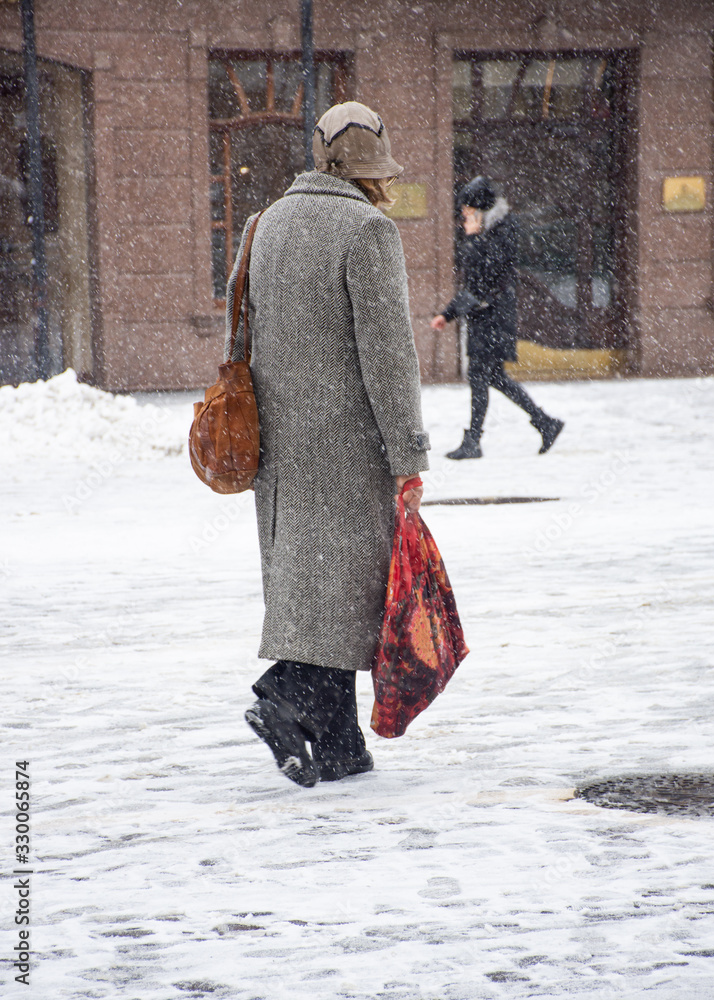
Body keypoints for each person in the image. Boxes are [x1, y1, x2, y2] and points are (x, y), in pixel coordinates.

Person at [225, 102, 429, 788]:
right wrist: (409, 456)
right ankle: (283, 694)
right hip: (348, 445)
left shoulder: (264, 223)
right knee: (347, 591)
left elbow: (242, 330)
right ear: (374, 173)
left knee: (311, 590)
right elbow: (390, 357)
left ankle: (341, 747)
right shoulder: (366, 230)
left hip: (278, 449)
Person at [431, 176, 564, 459]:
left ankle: (475, 441)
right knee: (494, 378)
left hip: (492, 318)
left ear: (479, 208)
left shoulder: (498, 232)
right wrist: (450, 313)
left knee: (482, 377)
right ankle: (544, 422)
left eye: (467, 208)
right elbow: (477, 282)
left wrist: (449, 313)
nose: (463, 213)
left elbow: (481, 280)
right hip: (487, 316)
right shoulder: (491, 230)